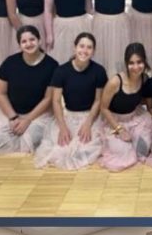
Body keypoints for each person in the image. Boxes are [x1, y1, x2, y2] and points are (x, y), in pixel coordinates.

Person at [0, 25, 56, 158]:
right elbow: (0, 93)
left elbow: (48, 99)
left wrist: (27, 119)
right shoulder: (10, 63)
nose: (29, 44)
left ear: (39, 40)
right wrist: (13, 117)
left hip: (38, 114)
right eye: (24, 41)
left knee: (31, 139)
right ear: (19, 45)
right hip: (10, 112)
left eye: (32, 39)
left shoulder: (52, 65)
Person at [34, 31, 107, 170]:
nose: (84, 51)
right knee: (61, 149)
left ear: (93, 50)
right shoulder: (61, 71)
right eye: (81, 46)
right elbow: (56, 101)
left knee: (85, 148)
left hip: (90, 116)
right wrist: (62, 127)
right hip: (68, 116)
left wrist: (88, 123)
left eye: (89, 47)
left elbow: (98, 100)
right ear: (75, 47)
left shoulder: (99, 71)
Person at [99, 42, 152, 171]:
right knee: (122, 157)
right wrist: (119, 129)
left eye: (139, 62)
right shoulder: (115, 81)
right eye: (131, 63)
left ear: (144, 62)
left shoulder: (145, 78)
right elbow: (103, 108)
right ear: (126, 63)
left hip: (134, 118)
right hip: (114, 122)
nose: (136, 67)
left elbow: (140, 100)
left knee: (142, 151)